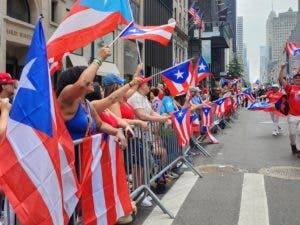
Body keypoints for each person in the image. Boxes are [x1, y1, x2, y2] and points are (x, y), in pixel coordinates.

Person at [56, 46, 126, 148]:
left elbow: (100, 125)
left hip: (84, 160)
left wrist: (116, 132)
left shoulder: (87, 104)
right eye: (90, 76)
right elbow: (83, 84)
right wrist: (99, 59)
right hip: (67, 159)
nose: (93, 81)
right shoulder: (67, 99)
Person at [279, 63, 300, 157]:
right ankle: (293, 145)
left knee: (299, 132)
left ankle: (298, 150)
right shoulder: (290, 88)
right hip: (292, 115)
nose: (298, 79)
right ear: (293, 80)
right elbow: (281, 80)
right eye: (296, 78)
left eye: (299, 78)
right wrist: (282, 69)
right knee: (292, 133)